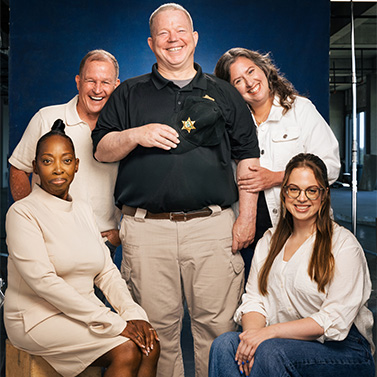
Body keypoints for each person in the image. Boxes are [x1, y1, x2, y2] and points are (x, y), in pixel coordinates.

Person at [91, 4, 260, 376]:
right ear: (152, 43)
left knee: (218, 331)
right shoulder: (129, 93)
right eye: (164, 34)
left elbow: (248, 156)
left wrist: (247, 217)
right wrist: (136, 135)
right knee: (156, 335)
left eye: (181, 31)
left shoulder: (225, 93)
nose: (173, 39)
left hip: (212, 228)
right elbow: (101, 150)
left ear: (195, 38)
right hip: (147, 230)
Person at [4, 120, 160, 377]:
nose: (57, 169)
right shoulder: (22, 213)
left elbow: (106, 271)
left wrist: (134, 314)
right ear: (34, 167)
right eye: (47, 161)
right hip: (35, 318)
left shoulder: (83, 210)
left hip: (83, 314)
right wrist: (113, 322)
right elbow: (44, 282)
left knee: (150, 345)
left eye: (65, 161)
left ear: (76, 166)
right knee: (127, 350)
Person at [208, 153, 375, 377]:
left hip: (344, 350)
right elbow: (255, 300)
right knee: (225, 345)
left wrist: (268, 335)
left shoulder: (343, 245)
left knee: (270, 351)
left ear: (324, 195)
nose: (301, 198)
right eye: (294, 189)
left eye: (311, 190)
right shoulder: (269, 241)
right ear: (284, 193)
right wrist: (253, 338)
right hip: (282, 343)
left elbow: (332, 319)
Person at [215, 48, 341, 280]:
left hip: (299, 230)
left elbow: (330, 167)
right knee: (256, 303)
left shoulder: (300, 110)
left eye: (251, 71)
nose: (250, 82)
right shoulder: (229, 124)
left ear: (264, 68)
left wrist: (276, 177)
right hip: (248, 235)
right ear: (231, 90)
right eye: (238, 81)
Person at [8, 49, 121, 256]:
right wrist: (31, 222)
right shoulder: (46, 118)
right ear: (78, 81)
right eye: (90, 80)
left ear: (116, 85)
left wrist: (117, 234)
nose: (97, 89)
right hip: (50, 241)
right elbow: (19, 169)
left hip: (101, 244)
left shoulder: (123, 130)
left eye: (105, 82)